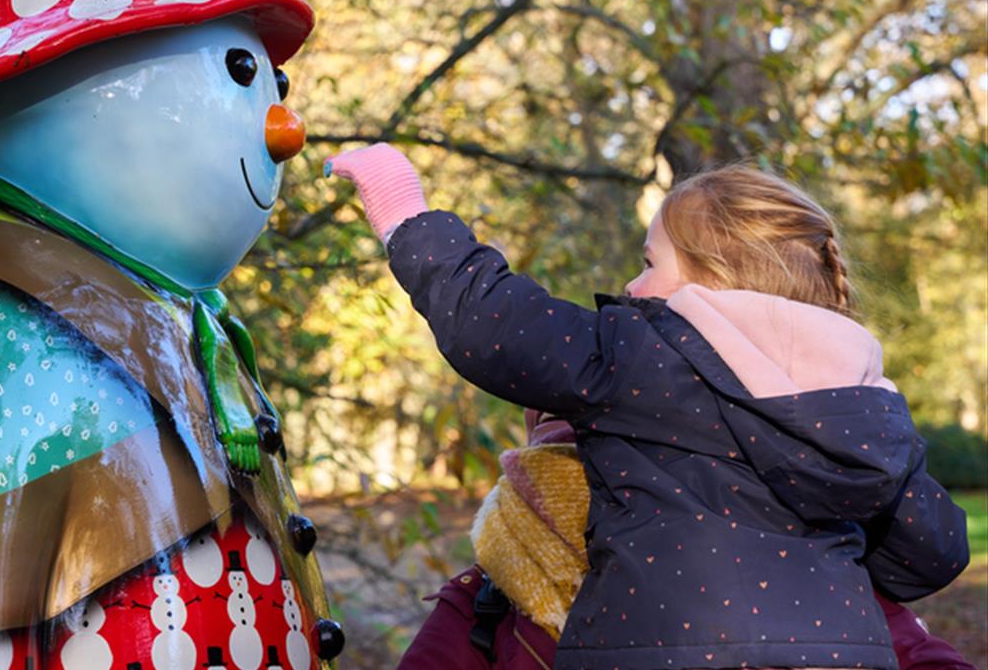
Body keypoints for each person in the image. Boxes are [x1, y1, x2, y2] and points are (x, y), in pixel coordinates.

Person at [325, 144, 970, 670]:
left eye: (649, 262)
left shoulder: (649, 354)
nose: (631, 289)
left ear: (713, 280)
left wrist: (405, 212)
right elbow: (933, 550)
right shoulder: (864, 404)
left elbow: (494, 324)